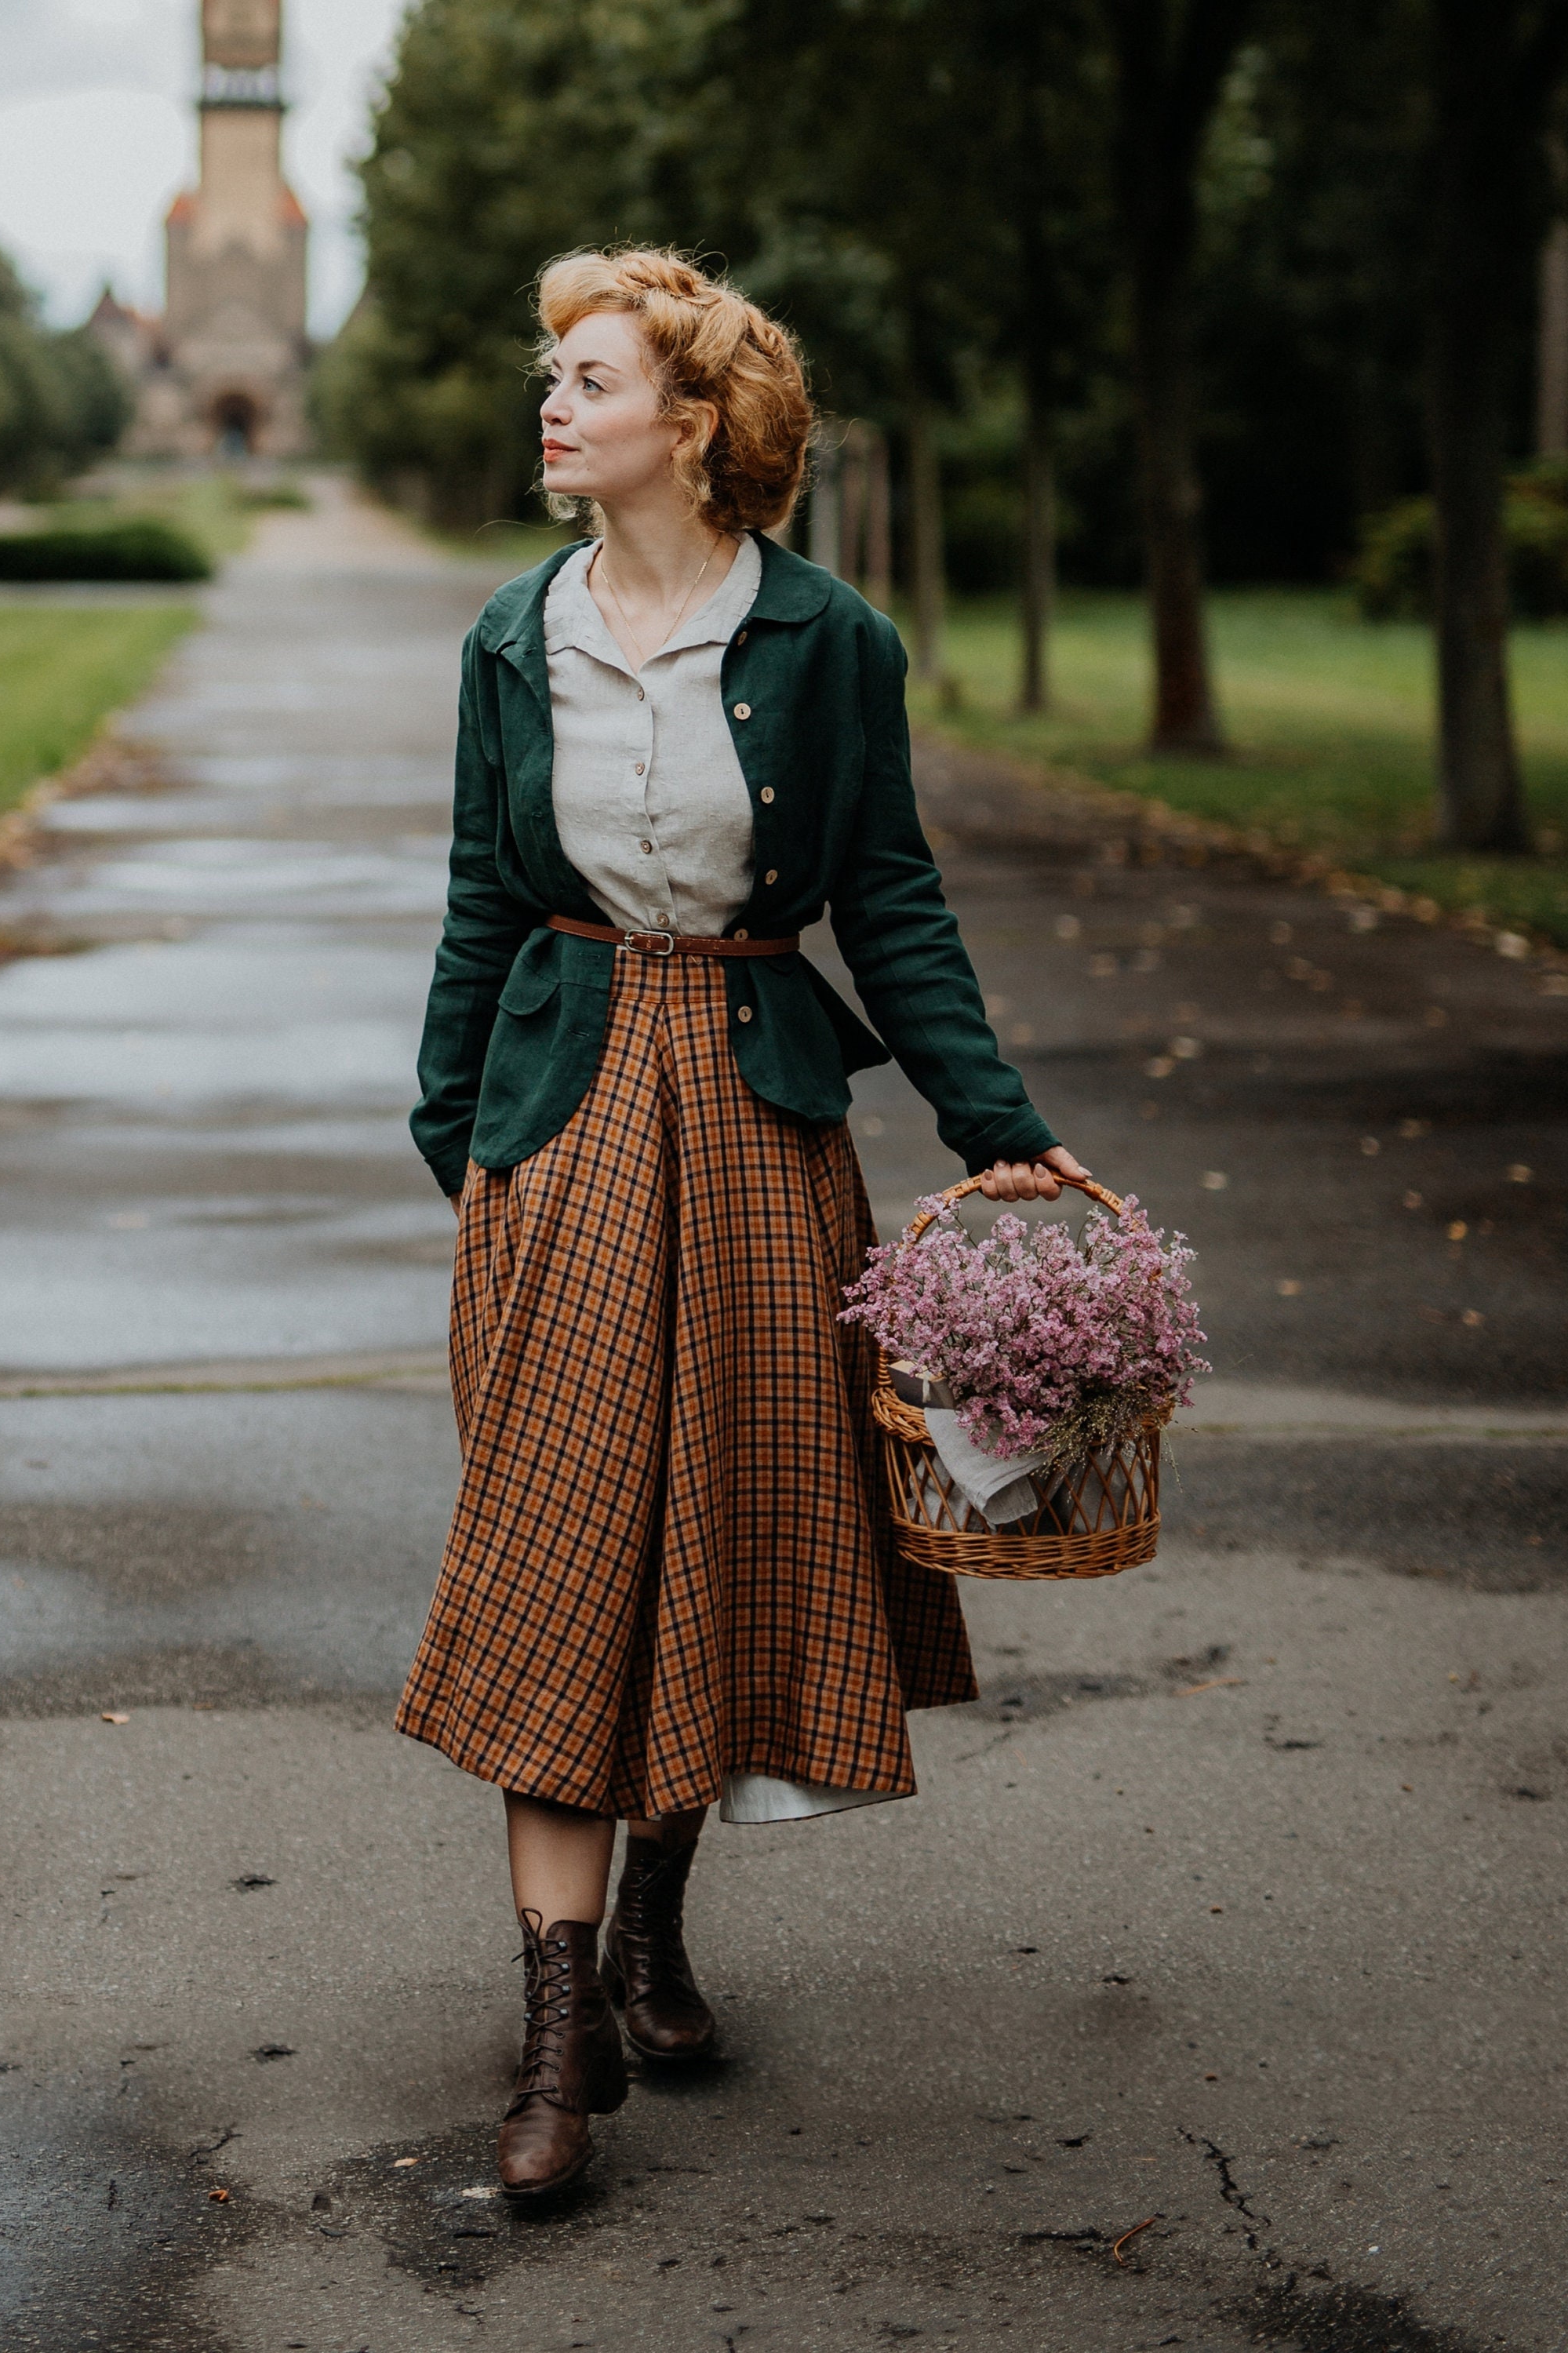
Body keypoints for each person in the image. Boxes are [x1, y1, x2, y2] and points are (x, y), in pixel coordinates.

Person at [398, 248, 1084, 2200]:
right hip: (566, 1112)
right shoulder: (510, 633)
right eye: (550, 374)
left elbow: (893, 892)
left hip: (766, 1123)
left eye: (590, 379)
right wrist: (460, 1134)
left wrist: (996, 1121)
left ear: (692, 424)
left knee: (718, 1525)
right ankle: (558, 2044)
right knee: (556, 1548)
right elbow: (475, 892)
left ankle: (651, 1932)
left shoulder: (827, 639)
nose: (552, 402)